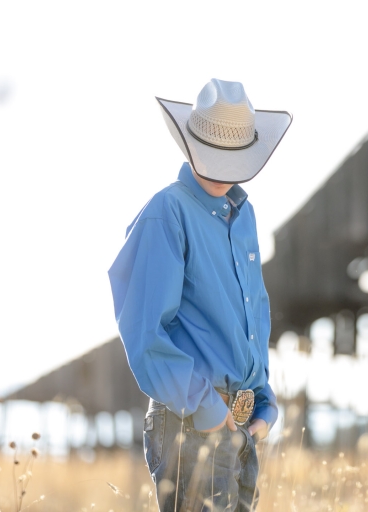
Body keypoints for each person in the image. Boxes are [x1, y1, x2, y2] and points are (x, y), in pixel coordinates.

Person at [108, 79, 291, 511]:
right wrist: (209, 412)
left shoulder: (245, 218)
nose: (219, 170)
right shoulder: (166, 212)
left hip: (241, 424)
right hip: (194, 423)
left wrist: (262, 405)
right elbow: (143, 331)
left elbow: (251, 311)